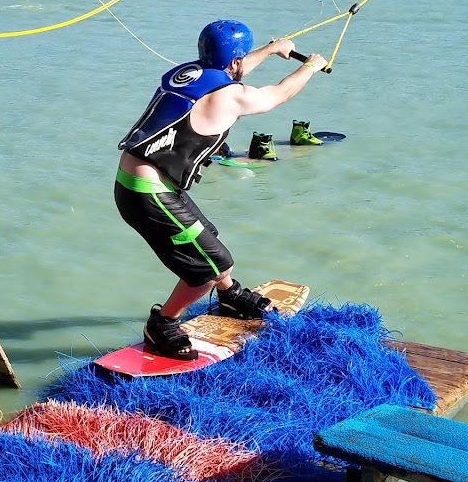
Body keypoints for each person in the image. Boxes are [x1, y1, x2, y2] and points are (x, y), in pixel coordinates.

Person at [115, 19, 327, 360]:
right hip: (150, 193)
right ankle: (162, 323)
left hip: (139, 185)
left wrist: (272, 50)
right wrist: (310, 66)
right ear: (236, 60)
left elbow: (231, 70)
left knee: (208, 241)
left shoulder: (189, 73)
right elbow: (279, 94)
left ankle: (228, 296)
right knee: (210, 267)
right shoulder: (232, 97)